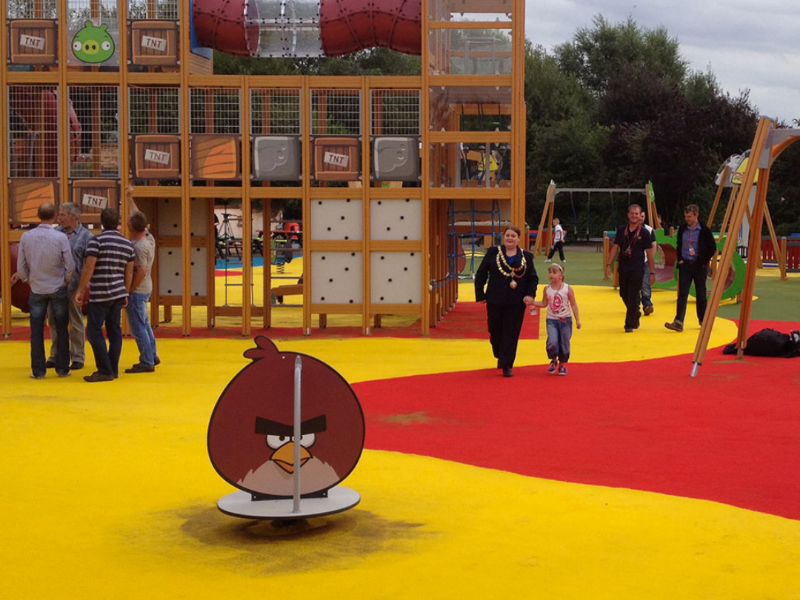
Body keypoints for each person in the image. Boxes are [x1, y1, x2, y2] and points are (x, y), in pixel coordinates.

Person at [11, 202, 75, 379]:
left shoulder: (26, 237)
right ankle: (63, 368)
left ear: (38, 216)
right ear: (54, 217)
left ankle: (38, 370)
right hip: (57, 286)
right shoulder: (61, 238)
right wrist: (65, 281)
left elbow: (21, 267)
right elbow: (70, 266)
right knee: (62, 329)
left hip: (37, 288)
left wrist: (29, 280)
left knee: (36, 330)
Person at [74, 207, 135, 382]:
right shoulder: (127, 243)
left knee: (94, 331)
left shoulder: (96, 241)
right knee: (115, 331)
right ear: (118, 222)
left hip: (100, 293)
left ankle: (104, 369)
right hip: (118, 292)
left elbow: (89, 267)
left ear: (101, 221)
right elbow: (128, 273)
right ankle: (112, 368)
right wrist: (126, 292)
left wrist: (80, 290)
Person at [475, 226, 538, 377]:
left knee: (511, 332)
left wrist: (530, 295)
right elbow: (481, 273)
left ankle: (507, 364)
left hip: (517, 301)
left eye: (513, 236)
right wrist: (480, 294)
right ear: (503, 237)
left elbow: (532, 278)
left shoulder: (526, 256)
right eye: (507, 235)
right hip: (495, 298)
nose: (510, 238)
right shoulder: (493, 253)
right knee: (495, 330)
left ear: (518, 239)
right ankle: (499, 354)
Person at [45, 202, 93, 371]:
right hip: (54, 286)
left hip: (74, 286)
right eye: (59, 214)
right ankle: (55, 354)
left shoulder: (87, 236)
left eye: (63, 215)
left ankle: (78, 356)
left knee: (76, 320)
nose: (59, 218)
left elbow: (89, 263)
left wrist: (83, 286)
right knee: (53, 320)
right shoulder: (55, 233)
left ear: (74, 216)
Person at [665, 204, 717, 332]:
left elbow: (712, 248)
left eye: (689, 216)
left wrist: (703, 261)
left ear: (696, 215)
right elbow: (679, 244)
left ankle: (703, 320)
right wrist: (680, 258)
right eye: (685, 216)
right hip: (685, 265)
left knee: (701, 294)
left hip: (699, 265)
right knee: (682, 293)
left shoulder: (704, 230)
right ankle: (678, 321)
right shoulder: (682, 229)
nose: (687, 219)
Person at [604, 205, 655, 333]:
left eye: (636, 214)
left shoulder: (644, 233)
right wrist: (608, 265)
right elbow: (615, 248)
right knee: (623, 294)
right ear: (628, 215)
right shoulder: (622, 230)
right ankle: (636, 313)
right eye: (632, 213)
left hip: (638, 268)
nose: (634, 216)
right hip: (623, 267)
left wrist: (652, 272)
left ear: (640, 215)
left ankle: (629, 324)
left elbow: (649, 254)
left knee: (633, 295)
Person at [124, 210, 160, 373]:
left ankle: (146, 360)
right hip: (146, 287)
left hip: (138, 290)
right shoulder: (149, 239)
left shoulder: (139, 247)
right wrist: (130, 197)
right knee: (144, 323)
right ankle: (152, 354)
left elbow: (141, 271)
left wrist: (129, 289)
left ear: (131, 226)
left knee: (138, 326)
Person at [533, 263, 580, 376]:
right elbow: (544, 303)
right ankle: (553, 360)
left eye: (554, 272)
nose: (551, 275)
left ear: (561, 276)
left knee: (564, 342)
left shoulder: (567, 289)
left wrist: (577, 319)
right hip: (552, 320)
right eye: (550, 272)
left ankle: (562, 364)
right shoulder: (547, 289)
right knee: (552, 341)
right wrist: (532, 302)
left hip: (565, 320)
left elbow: (573, 304)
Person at [639, 211, 656, 317]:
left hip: (645, 260)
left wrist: (651, 258)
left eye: (642, 216)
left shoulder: (649, 230)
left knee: (645, 282)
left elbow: (654, 244)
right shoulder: (627, 229)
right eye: (638, 215)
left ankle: (647, 304)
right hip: (633, 261)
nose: (640, 218)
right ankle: (634, 305)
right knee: (634, 284)